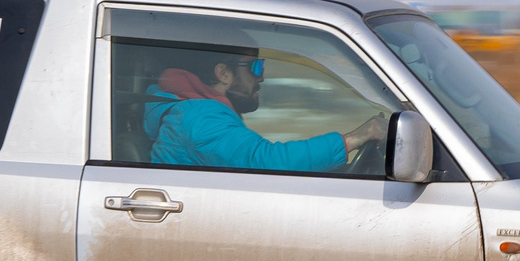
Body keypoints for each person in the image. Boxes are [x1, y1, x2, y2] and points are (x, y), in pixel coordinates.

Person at [143, 50, 388, 172]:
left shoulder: (193, 111)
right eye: (256, 67)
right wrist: (354, 139)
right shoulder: (200, 118)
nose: (260, 78)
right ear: (224, 73)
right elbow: (265, 160)